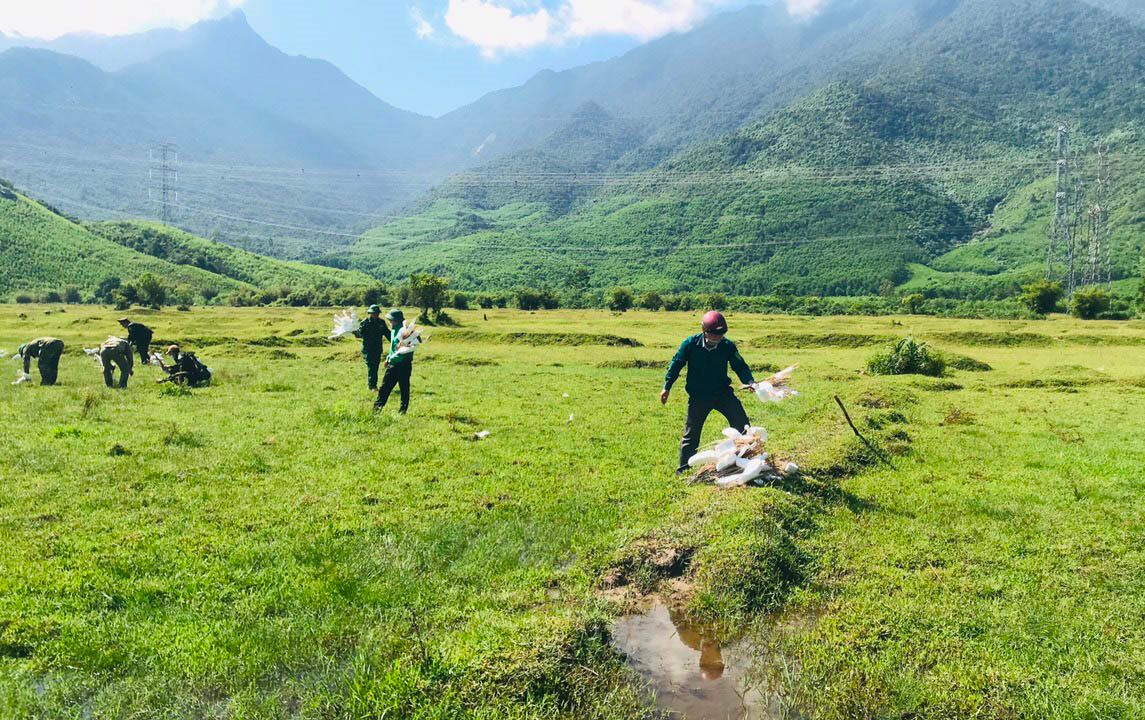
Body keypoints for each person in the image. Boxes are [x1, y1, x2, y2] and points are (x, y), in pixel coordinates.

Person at [661, 311, 759, 474]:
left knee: (743, 425)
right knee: (691, 435)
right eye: (713, 334)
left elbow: (739, 365)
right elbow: (676, 363)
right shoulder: (690, 344)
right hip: (699, 396)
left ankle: (746, 460)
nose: (717, 337)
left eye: (721, 334)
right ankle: (683, 470)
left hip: (723, 394)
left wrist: (749, 381)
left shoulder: (727, 346)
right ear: (704, 331)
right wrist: (667, 386)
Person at [375, 308, 414, 414]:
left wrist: (391, 360)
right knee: (384, 388)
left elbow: (405, 351)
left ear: (396, 320)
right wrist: (388, 358)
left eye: (391, 320)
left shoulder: (406, 332)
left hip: (403, 364)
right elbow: (393, 348)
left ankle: (402, 411)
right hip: (393, 363)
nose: (390, 322)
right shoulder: (393, 330)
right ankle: (377, 409)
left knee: (404, 388)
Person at [352, 304, 390, 390]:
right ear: (370, 313)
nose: (375, 315)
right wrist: (354, 331)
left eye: (377, 313)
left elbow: (387, 334)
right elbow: (359, 335)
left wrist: (396, 341)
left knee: (375, 366)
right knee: (371, 367)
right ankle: (372, 386)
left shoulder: (381, 322)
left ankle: (373, 385)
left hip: (378, 348)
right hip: (368, 349)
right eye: (374, 313)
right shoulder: (365, 323)